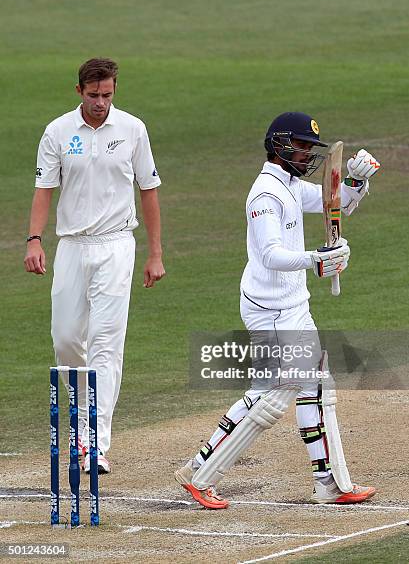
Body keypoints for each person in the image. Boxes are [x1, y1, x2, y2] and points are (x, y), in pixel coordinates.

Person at [175, 112, 380, 508]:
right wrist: (317, 260)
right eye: (302, 146)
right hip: (270, 309)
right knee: (271, 396)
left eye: (310, 148)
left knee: (316, 386)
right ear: (280, 146)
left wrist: (356, 180)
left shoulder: (289, 184)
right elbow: (270, 254)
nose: (307, 154)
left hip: (293, 305)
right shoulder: (265, 194)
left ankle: (329, 483)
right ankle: (199, 474)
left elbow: (337, 205)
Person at [24, 58, 165, 474]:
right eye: (93, 95)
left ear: (114, 90)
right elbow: (44, 191)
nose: (101, 103)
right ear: (79, 92)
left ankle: (92, 442)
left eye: (107, 94)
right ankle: (84, 418)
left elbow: (149, 192)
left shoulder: (133, 130)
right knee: (66, 340)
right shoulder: (58, 132)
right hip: (71, 245)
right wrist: (34, 240)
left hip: (117, 245)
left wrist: (155, 254)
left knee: (106, 343)